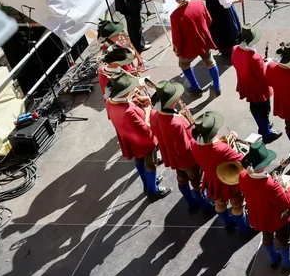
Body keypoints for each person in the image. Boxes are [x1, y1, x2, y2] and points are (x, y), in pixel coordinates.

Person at [148, 79, 213, 213]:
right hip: (187, 159)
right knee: (197, 183)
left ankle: (190, 202)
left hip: (172, 155)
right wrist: (197, 140)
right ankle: (205, 207)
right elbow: (183, 149)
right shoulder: (176, 123)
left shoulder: (154, 114)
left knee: (181, 179)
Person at [237, 140, 290, 272]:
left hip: (258, 216)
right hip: (277, 218)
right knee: (284, 240)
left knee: (267, 237)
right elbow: (288, 203)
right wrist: (289, 188)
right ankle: (287, 263)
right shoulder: (270, 185)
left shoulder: (242, 175)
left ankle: (273, 259)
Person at [104, 72, 171, 200]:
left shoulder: (109, 102)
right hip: (143, 141)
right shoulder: (129, 112)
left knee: (139, 160)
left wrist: (134, 101)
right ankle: (153, 191)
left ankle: (147, 184)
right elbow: (146, 127)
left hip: (128, 138)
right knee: (151, 164)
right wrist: (147, 110)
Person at [190, 110, 251, 233]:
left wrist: (226, 138)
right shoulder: (221, 149)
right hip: (229, 181)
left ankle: (228, 224)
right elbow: (241, 160)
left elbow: (210, 148)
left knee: (220, 203)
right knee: (237, 205)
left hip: (211, 180)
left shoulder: (193, 143)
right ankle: (244, 230)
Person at [230, 26, 282, 143]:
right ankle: (267, 134)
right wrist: (268, 64)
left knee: (254, 107)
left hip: (246, 84)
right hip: (259, 89)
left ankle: (262, 126)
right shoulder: (255, 58)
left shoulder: (235, 49)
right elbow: (264, 76)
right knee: (264, 111)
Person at [168, 0, 220, 94]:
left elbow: (177, 37)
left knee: (184, 64)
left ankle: (195, 87)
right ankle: (217, 86)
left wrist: (177, 50)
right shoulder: (199, 3)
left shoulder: (175, 15)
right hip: (203, 41)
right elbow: (209, 20)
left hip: (189, 46)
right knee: (211, 62)